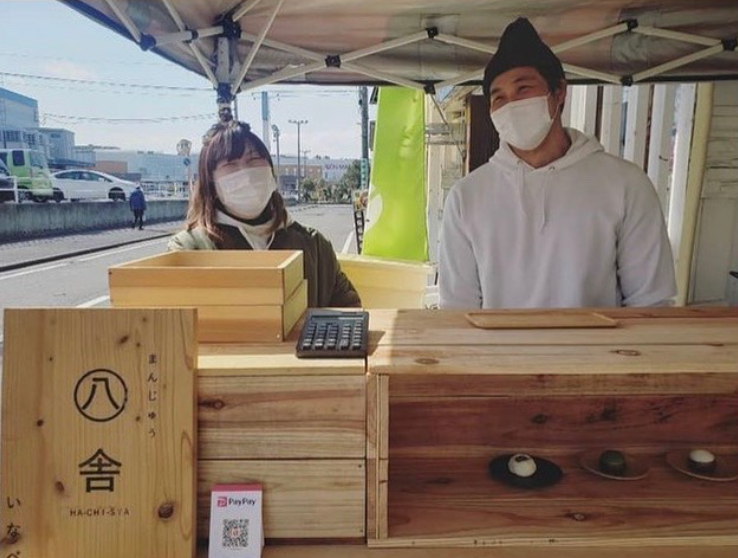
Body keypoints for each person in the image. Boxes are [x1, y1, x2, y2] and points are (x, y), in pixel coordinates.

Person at [439, 17, 676, 309]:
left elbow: (651, 304)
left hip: (599, 355)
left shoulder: (625, 186)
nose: (511, 105)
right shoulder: (466, 198)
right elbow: (457, 310)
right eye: (498, 98)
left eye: (523, 89)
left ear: (559, 91)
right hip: (498, 355)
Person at [168, 116, 361, 308]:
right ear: (210, 181)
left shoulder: (314, 245)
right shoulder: (189, 249)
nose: (246, 173)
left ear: (270, 170)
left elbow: (350, 310)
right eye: (230, 164)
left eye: (254, 159)